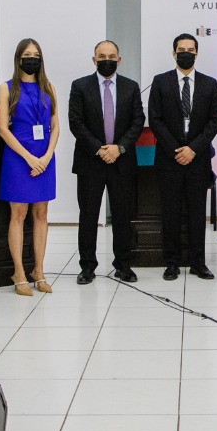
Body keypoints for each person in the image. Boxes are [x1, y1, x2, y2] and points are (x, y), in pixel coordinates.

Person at [68, 40, 144, 285]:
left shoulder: (131, 87)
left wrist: (118, 148)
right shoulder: (80, 86)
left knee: (122, 215)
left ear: (119, 60)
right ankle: (87, 267)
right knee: (88, 216)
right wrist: (99, 149)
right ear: (94, 60)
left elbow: (137, 121)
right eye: (102, 56)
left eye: (112, 57)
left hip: (121, 161)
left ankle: (123, 265)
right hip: (91, 161)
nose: (107, 61)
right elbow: (75, 122)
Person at [148, 32, 217, 280]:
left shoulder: (210, 83)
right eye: (181, 50)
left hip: (198, 159)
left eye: (191, 50)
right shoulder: (160, 82)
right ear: (174, 53)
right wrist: (176, 150)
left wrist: (193, 149)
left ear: (197, 54)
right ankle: (172, 263)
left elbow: (214, 121)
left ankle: (198, 263)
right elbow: (155, 119)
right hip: (169, 159)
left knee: (197, 213)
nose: (186, 53)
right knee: (170, 213)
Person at [0, 38, 59, 296]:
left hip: (44, 157)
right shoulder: (6, 88)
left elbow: (55, 126)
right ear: (18, 59)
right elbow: (3, 129)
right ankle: (19, 272)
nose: (31, 59)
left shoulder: (49, 87)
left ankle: (39, 271)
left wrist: (47, 156)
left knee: (42, 214)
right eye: (27, 55)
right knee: (18, 215)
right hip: (18, 158)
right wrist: (29, 158)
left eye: (36, 55)